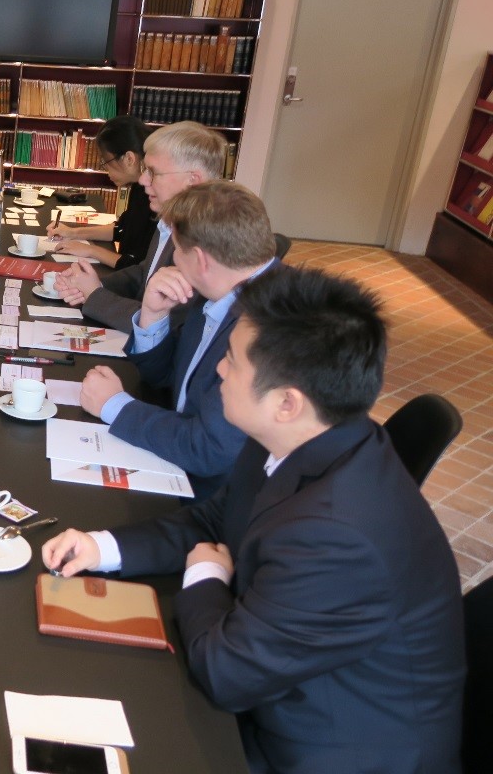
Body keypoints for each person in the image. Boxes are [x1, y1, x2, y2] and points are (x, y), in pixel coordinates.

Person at [43, 267, 465, 773]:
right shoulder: (303, 436)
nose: (219, 371)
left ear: (287, 402)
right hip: (272, 678)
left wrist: (205, 576)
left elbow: (227, 675)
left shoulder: (340, 534)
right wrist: (104, 547)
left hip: (318, 749)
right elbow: (215, 519)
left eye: (232, 361)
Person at [79, 181, 277, 499]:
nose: (171, 261)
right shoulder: (219, 287)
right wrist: (153, 316)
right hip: (176, 454)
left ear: (200, 259)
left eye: (175, 251)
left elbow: (209, 449)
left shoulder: (270, 325)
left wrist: (116, 406)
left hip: (215, 497)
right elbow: (168, 379)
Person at [55, 120, 225, 331]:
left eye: (153, 172)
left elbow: (166, 323)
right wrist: (93, 284)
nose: (143, 180)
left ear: (193, 180)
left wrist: (95, 295)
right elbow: (145, 273)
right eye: (145, 169)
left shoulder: (203, 245)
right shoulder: (169, 220)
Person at [46, 115, 156, 270]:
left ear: (129, 158)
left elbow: (136, 266)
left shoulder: (155, 198)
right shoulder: (139, 187)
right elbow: (121, 230)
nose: (106, 171)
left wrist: (91, 250)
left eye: (107, 162)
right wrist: (72, 232)